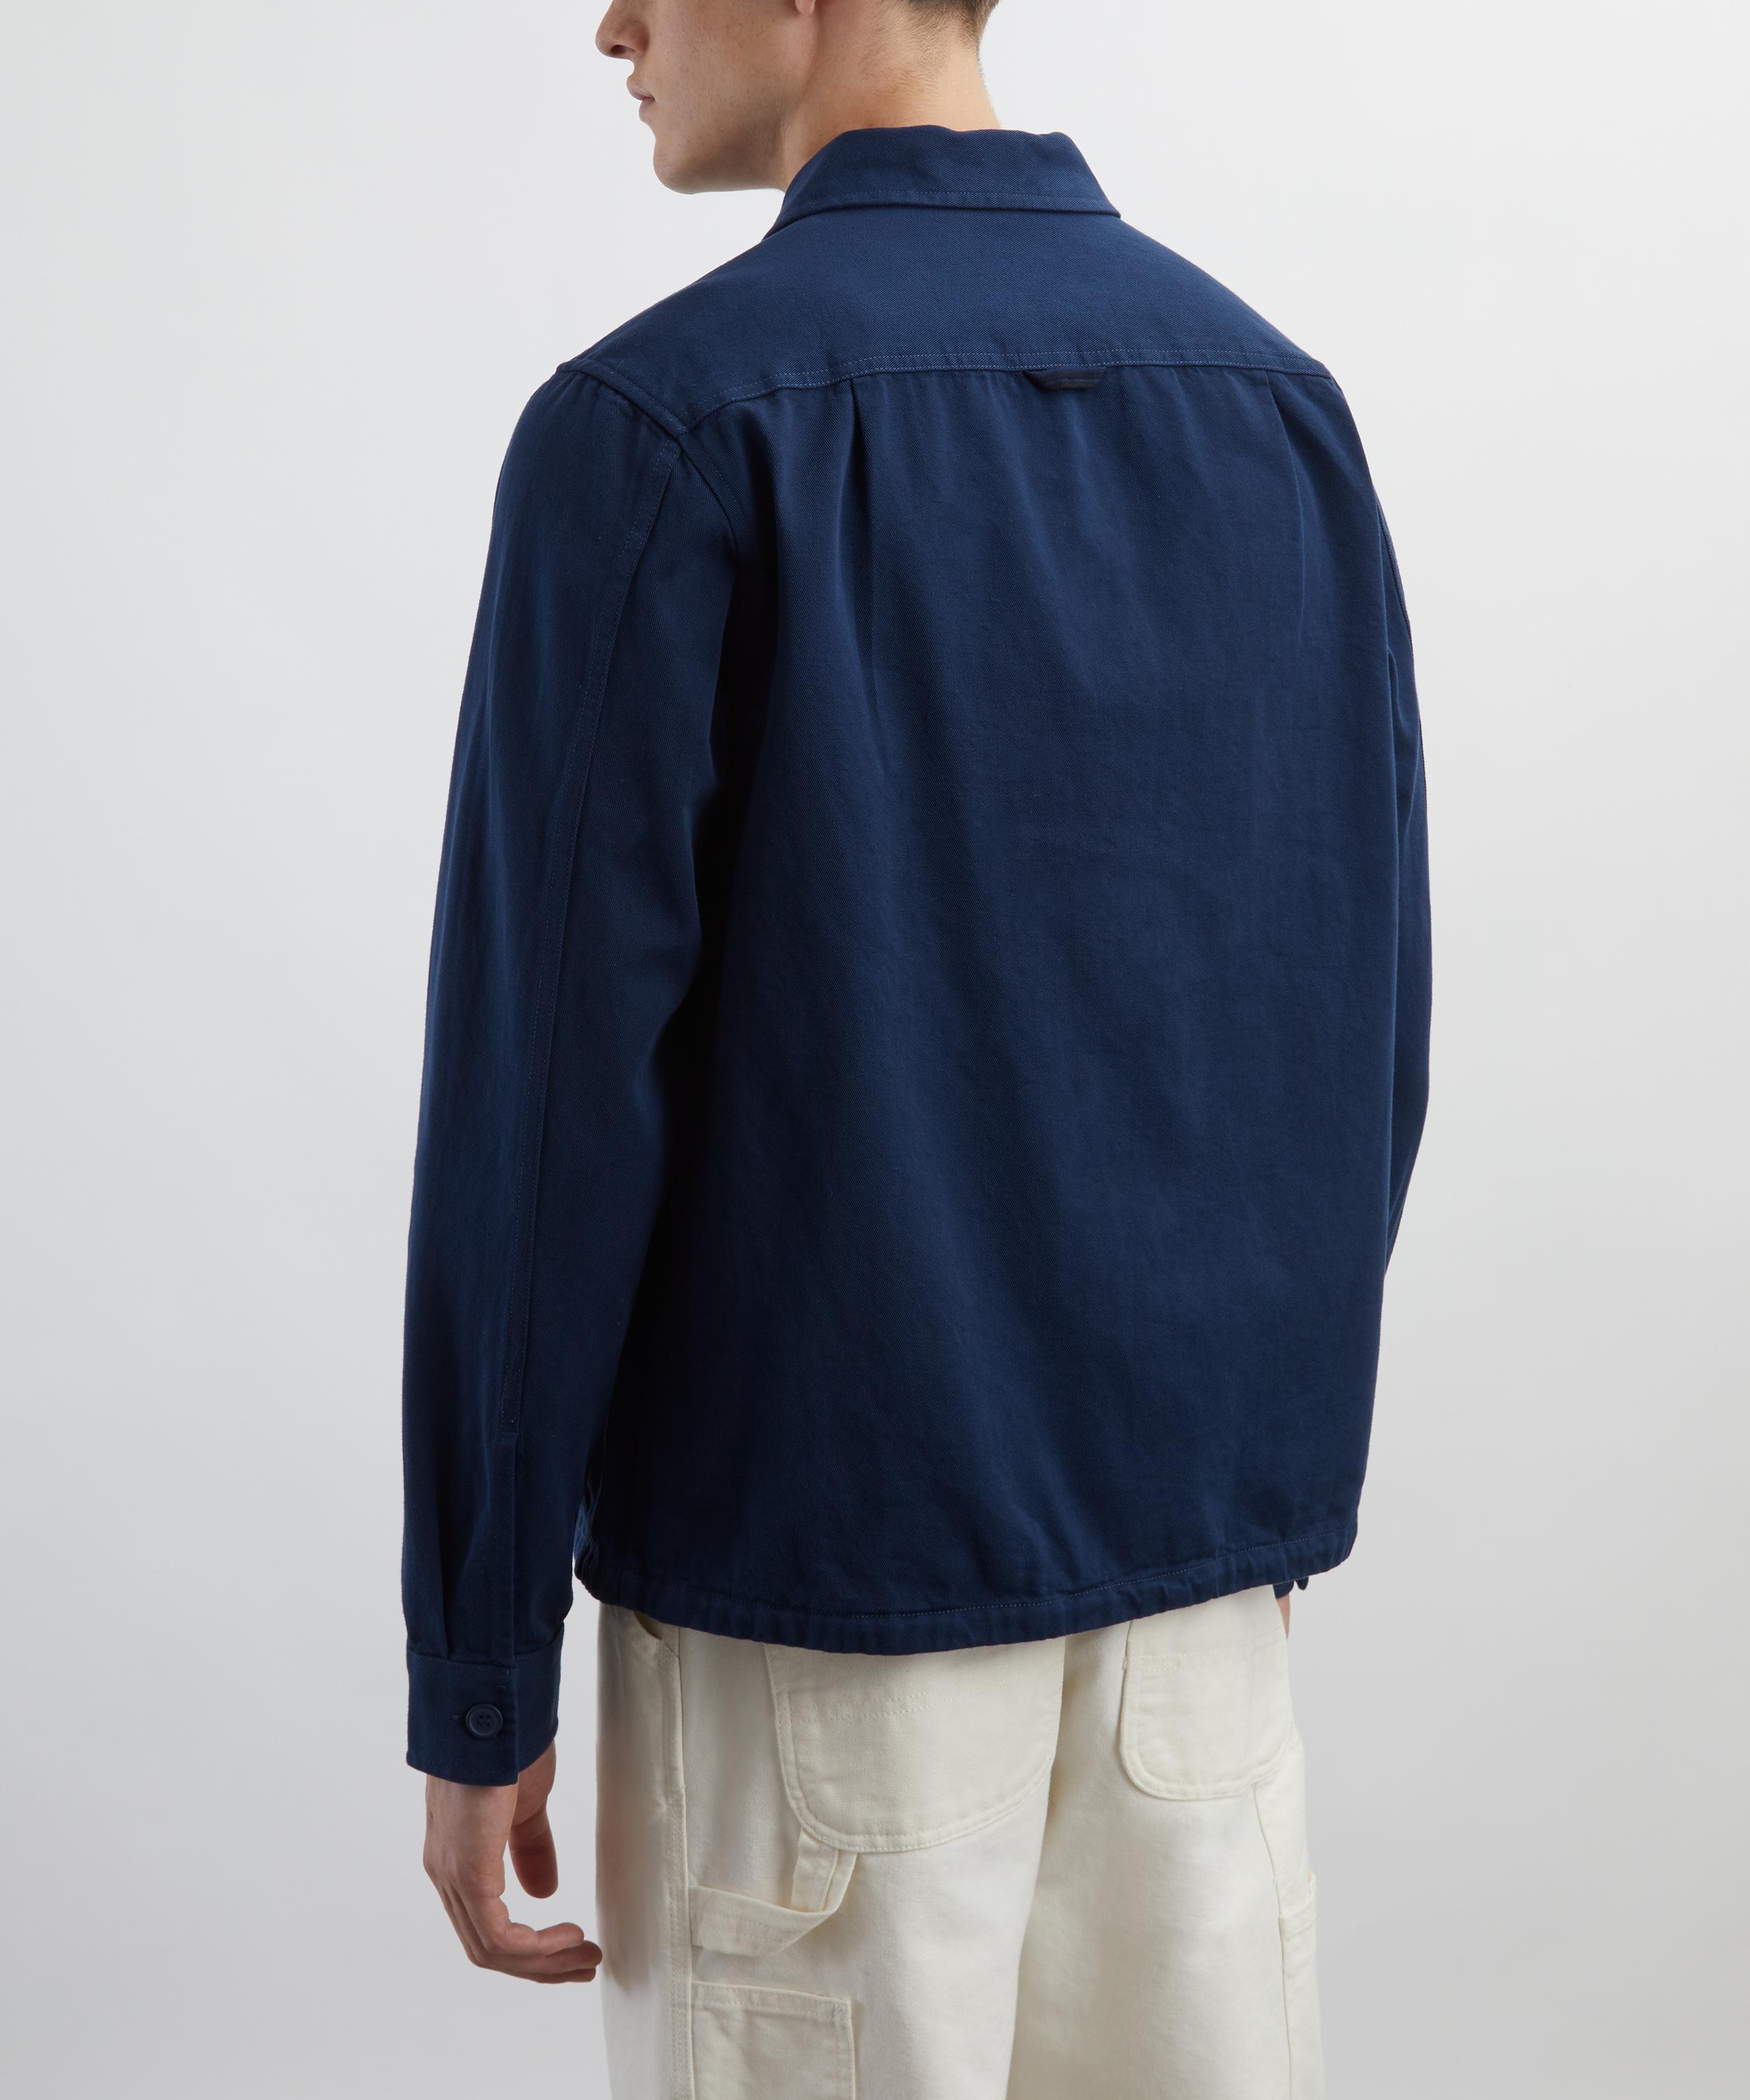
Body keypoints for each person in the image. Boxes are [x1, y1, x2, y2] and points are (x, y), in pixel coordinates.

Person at [402, 0, 1430, 2092]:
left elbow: (542, 1113)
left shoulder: (659, 427)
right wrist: (1251, 1496)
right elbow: (1359, 1001)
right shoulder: (1272, 400)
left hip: (815, 1632)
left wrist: (479, 1660)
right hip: (1191, 1639)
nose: (608, 24)